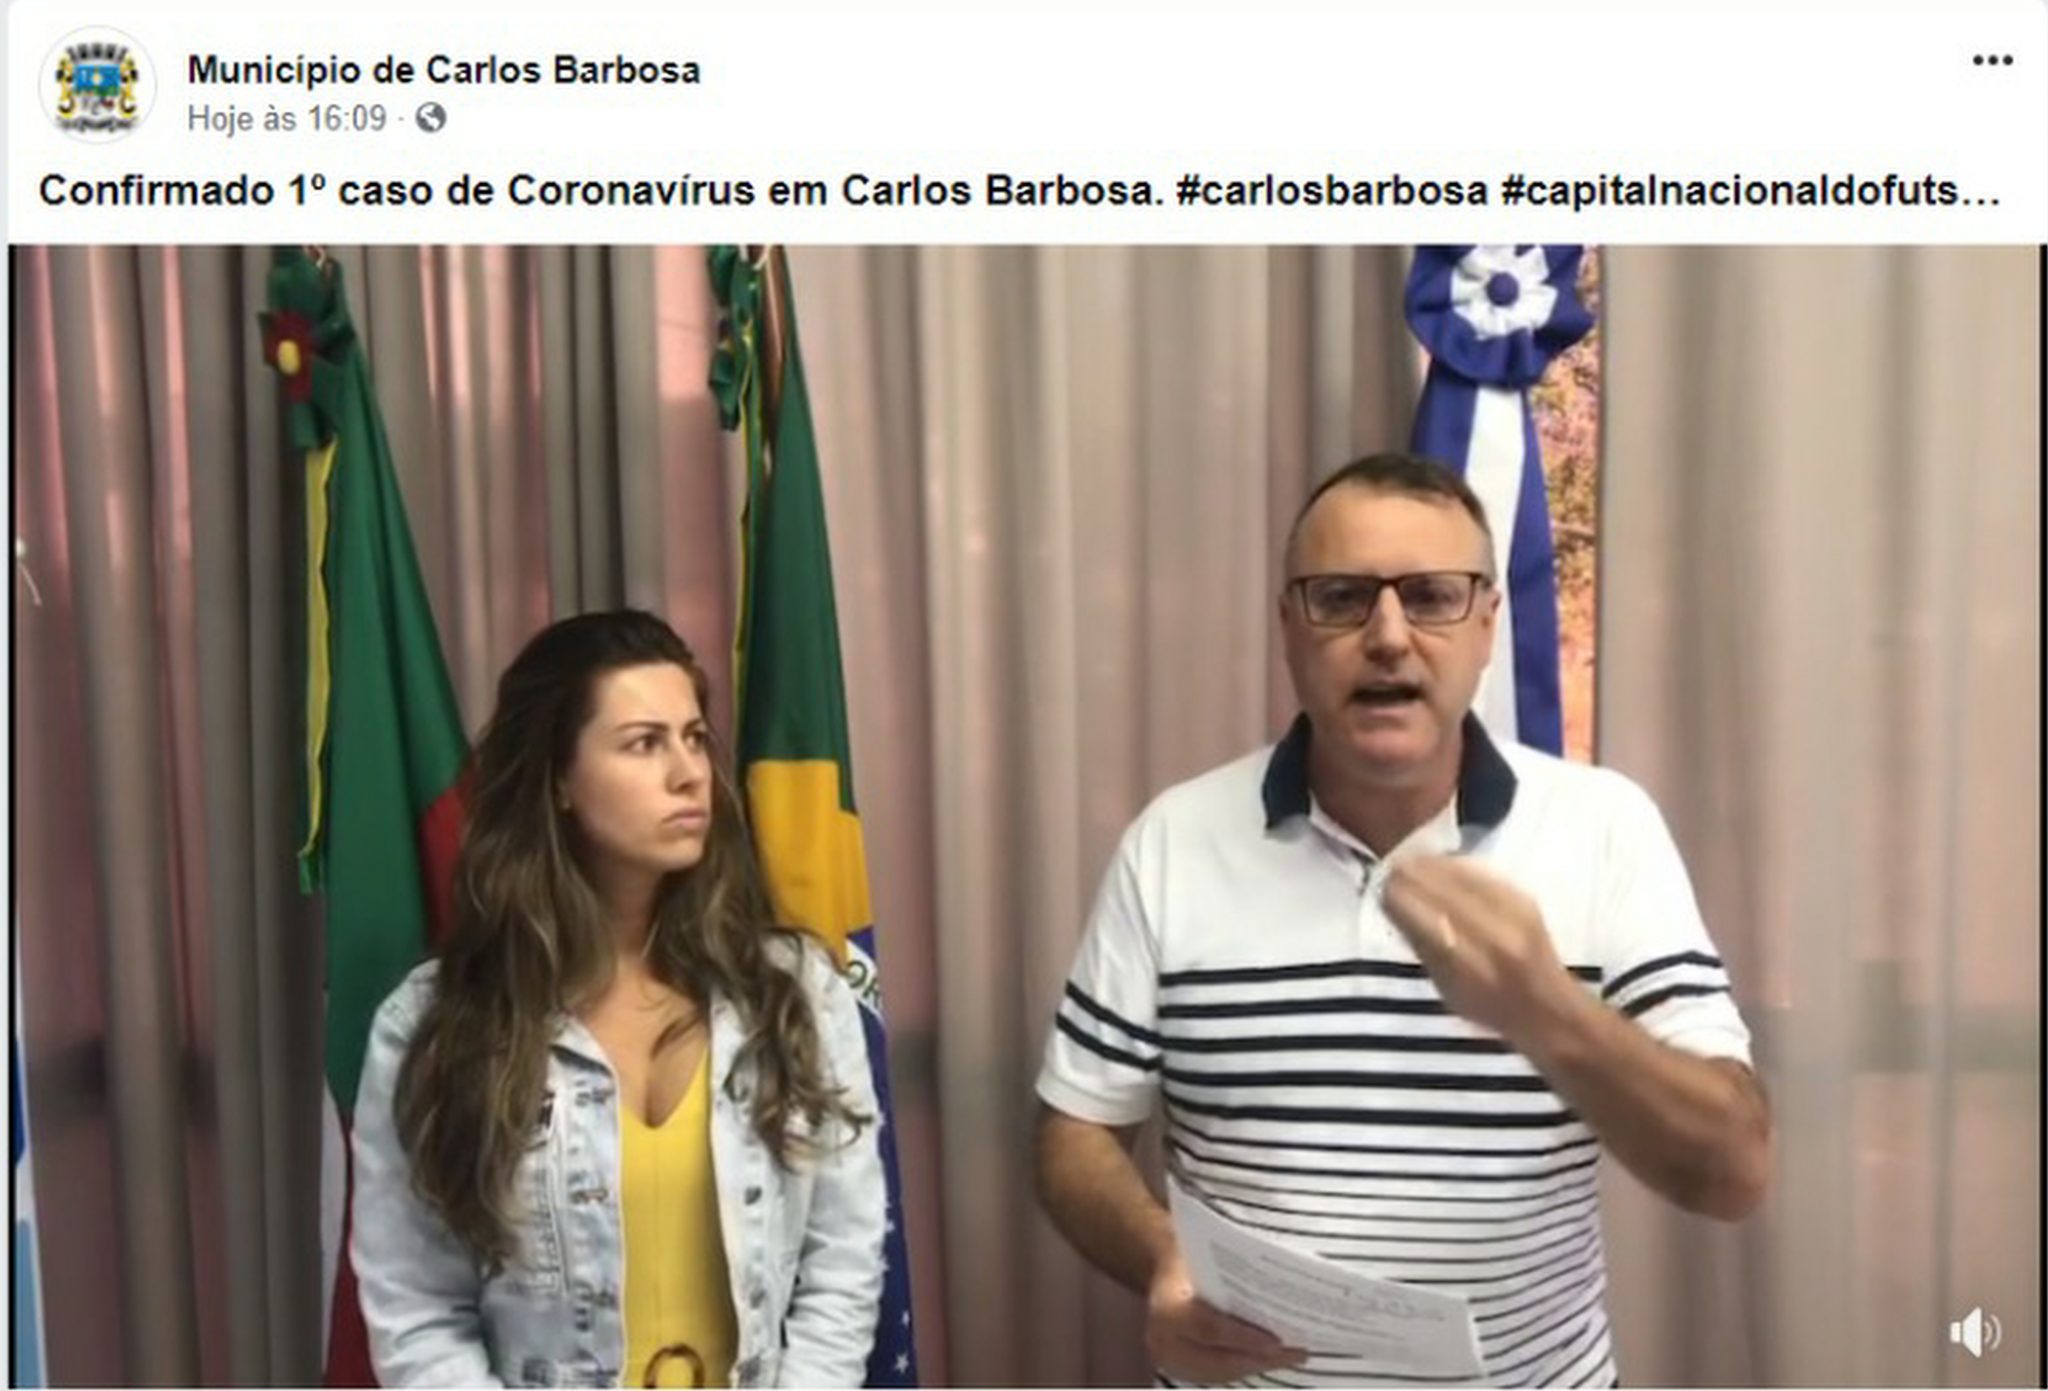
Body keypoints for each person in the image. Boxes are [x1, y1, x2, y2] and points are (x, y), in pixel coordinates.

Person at [1034, 452, 1772, 1388]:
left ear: (1488, 623)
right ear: (1289, 627)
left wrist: (1548, 1013)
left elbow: (1733, 1171)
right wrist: (1160, 1257)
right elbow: (1074, 1132)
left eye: (1431, 596)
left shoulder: (1605, 829)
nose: (1388, 636)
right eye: (1342, 597)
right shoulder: (1172, 841)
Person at [351, 609, 885, 1388]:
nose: (689, 772)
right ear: (559, 779)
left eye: (694, 737)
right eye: (644, 743)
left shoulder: (793, 992)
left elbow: (845, 1260)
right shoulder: (434, 1024)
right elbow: (418, 1312)